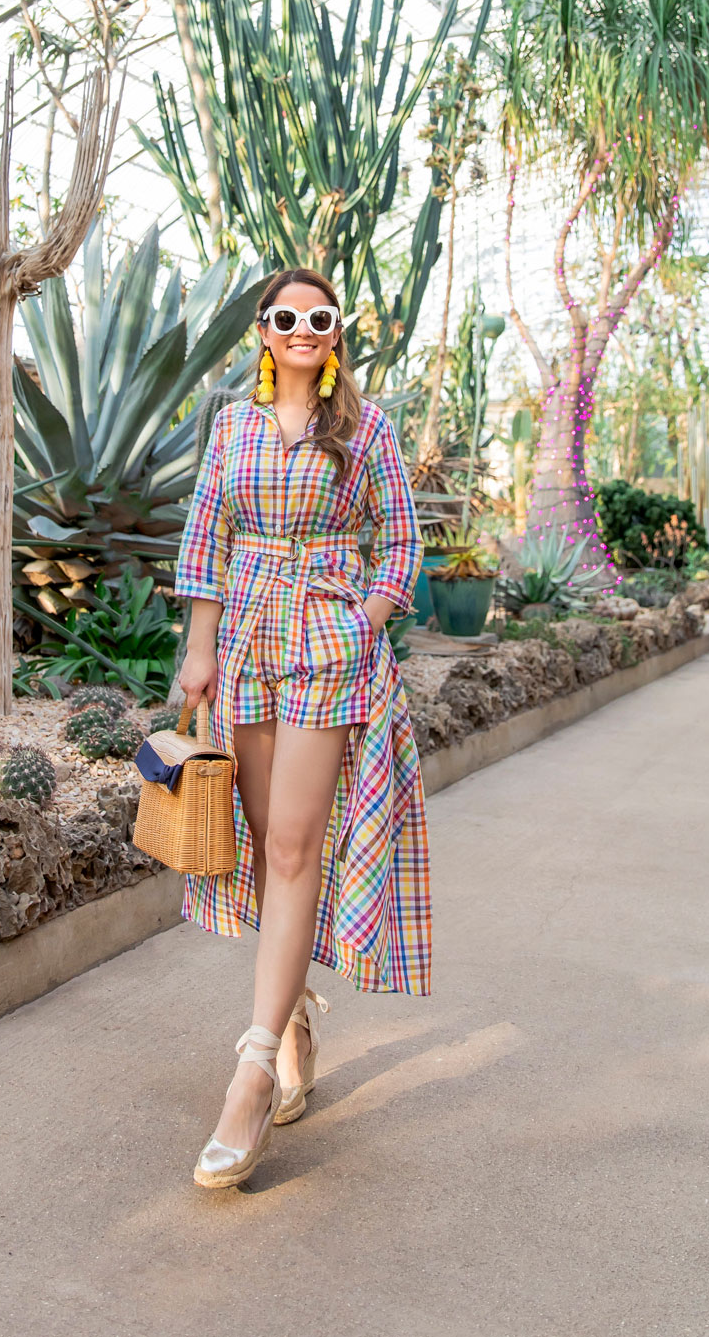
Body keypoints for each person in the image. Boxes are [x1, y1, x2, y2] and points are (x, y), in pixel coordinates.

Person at [174, 267, 430, 1189]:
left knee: (291, 846)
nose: (303, 329)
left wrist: (363, 616)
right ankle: (290, 1018)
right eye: (286, 318)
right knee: (259, 845)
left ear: (335, 333)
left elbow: (400, 541)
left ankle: (249, 1074)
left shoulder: (365, 429)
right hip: (244, 642)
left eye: (319, 318)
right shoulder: (232, 427)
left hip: (327, 645)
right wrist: (198, 651)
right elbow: (205, 539)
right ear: (263, 331)